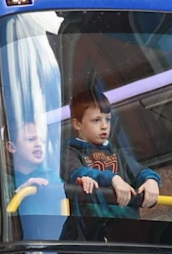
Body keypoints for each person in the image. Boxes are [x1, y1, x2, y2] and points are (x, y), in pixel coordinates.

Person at [63, 88, 160, 216]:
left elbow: (140, 171)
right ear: (77, 124)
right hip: (92, 225)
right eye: (96, 120)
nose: (104, 126)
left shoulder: (118, 154)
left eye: (107, 119)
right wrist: (113, 178)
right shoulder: (70, 152)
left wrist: (151, 180)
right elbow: (77, 173)